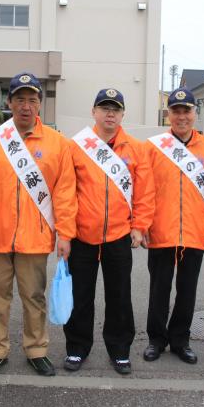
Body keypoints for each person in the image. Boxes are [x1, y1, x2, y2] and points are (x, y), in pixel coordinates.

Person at [0, 72, 77, 377]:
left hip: (36, 237)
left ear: (40, 105)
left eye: (32, 99)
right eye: (19, 99)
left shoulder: (58, 144)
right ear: (8, 102)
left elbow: (65, 193)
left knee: (34, 297)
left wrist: (66, 234)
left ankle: (36, 350)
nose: (25, 106)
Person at [63, 88, 154, 375]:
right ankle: (77, 348)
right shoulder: (76, 146)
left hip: (118, 236)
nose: (110, 113)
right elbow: (65, 193)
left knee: (119, 296)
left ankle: (120, 350)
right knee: (81, 296)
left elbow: (145, 192)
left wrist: (139, 226)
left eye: (115, 108)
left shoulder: (136, 148)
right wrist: (65, 233)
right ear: (94, 112)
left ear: (123, 114)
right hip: (82, 236)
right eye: (104, 107)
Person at [143, 87, 204, 364]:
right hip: (160, 230)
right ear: (168, 115)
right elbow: (144, 191)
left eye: (186, 111)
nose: (181, 116)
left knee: (187, 291)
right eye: (176, 111)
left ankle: (180, 340)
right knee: (159, 289)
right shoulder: (153, 147)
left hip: (194, 231)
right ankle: (156, 340)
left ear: (195, 113)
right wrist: (142, 225)